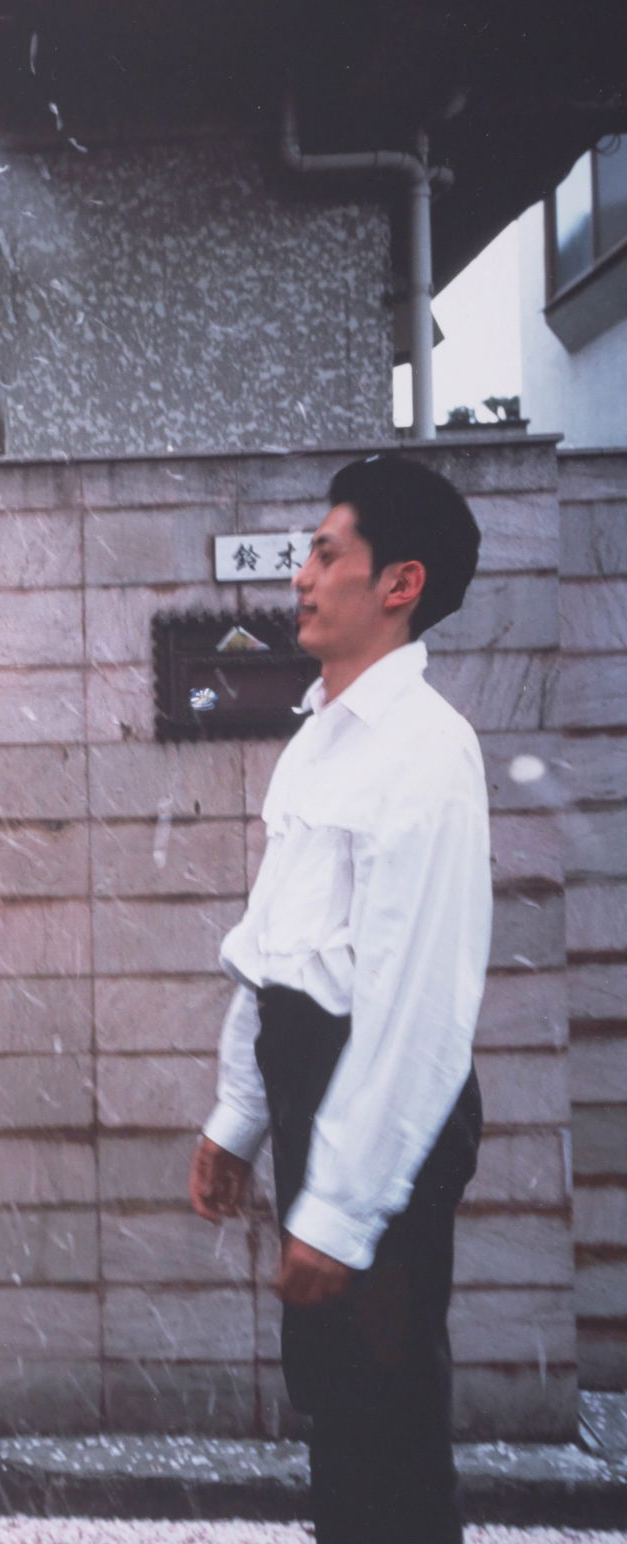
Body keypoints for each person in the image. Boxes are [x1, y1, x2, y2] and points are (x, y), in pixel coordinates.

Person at [188, 456, 489, 1544]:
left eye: (326, 553)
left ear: (397, 583)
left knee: (386, 1430)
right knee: (336, 1405)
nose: (301, 576)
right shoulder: (321, 738)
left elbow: (417, 1011)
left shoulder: (426, 753)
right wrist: (238, 1116)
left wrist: (343, 1207)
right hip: (315, 1087)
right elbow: (275, 949)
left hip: (384, 1113)